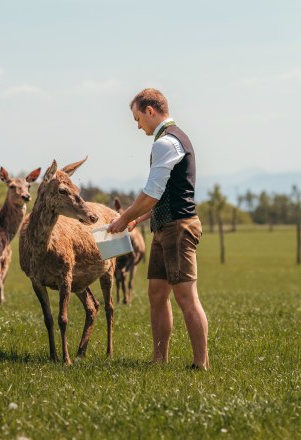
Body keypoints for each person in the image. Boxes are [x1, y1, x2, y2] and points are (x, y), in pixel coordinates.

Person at [108, 88, 209, 370]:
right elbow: (164, 195)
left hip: (179, 227)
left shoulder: (165, 143)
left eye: (138, 118)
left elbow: (150, 194)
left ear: (150, 111)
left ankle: (201, 364)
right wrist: (136, 220)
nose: (138, 126)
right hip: (164, 226)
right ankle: (159, 360)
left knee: (186, 296)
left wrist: (121, 218)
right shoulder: (172, 140)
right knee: (156, 292)